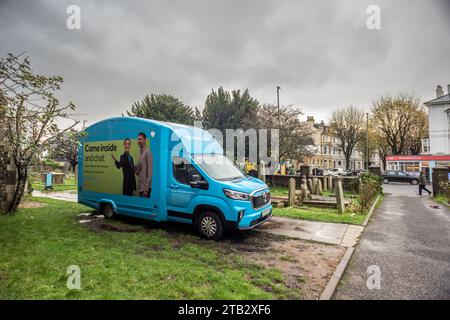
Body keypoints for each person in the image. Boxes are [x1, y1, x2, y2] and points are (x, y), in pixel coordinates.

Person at [135, 132, 153, 198]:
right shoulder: (140, 153)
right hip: (140, 187)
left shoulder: (148, 152)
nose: (139, 141)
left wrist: (146, 189)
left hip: (145, 189)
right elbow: (138, 170)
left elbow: (150, 173)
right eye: (138, 139)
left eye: (140, 139)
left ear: (145, 140)